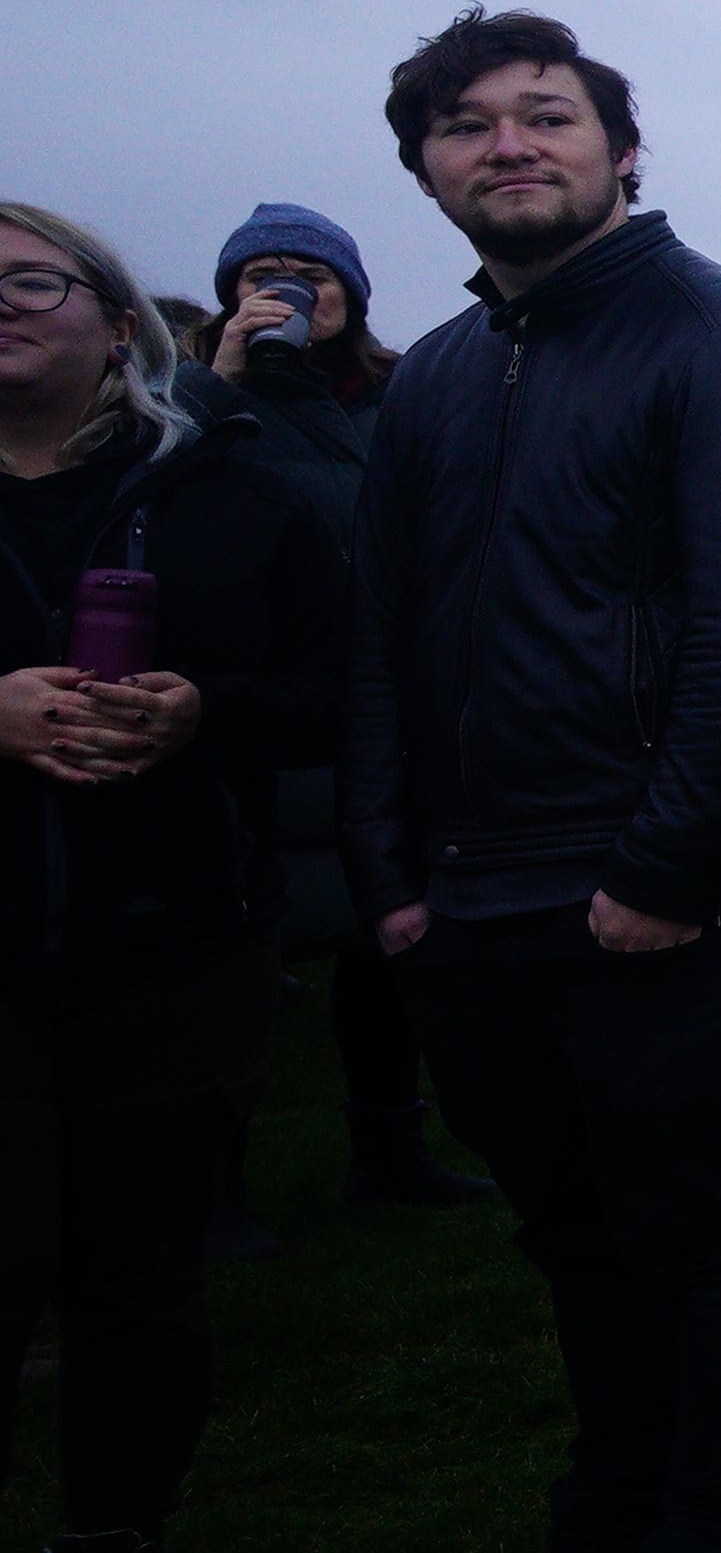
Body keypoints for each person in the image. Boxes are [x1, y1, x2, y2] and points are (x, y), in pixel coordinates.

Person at [348, 10, 721, 1553]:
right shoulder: (430, 374)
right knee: (574, 1239)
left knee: (706, 1237)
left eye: (545, 115)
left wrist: (667, 867)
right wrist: (398, 872)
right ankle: (611, 1545)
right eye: (465, 125)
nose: (508, 144)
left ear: (622, 149)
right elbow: (388, 642)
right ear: (425, 170)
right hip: (475, 893)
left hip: (657, 885)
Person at [0, 204, 352, 1553]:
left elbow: (337, 687)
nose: (0, 308)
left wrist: (201, 714)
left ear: (109, 312)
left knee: (140, 1280)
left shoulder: (223, 487)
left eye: (28, 279)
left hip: (172, 945)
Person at [181, 203, 476, 1207]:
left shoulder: (399, 396)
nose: (290, 288)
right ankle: (208, 1188)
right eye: (261, 272)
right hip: (255, 702)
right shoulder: (199, 399)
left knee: (386, 939)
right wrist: (221, 375)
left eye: (312, 271)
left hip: (386, 696)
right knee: (233, 955)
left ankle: (390, 1153)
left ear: (352, 291)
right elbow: (157, 494)